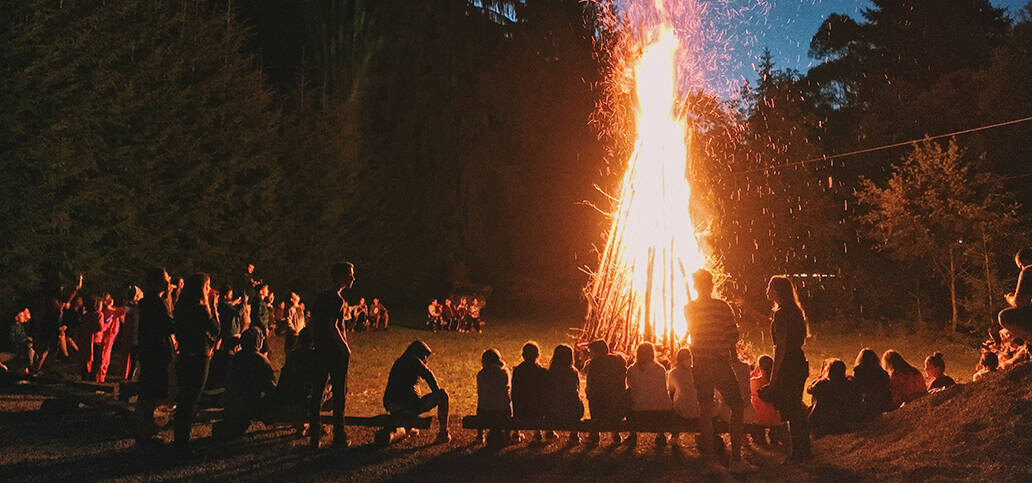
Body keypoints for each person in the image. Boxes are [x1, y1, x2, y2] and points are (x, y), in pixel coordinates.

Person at [687, 269, 754, 471]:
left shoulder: (689, 308)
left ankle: (710, 461)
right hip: (718, 362)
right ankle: (736, 459)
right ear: (712, 284)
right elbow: (732, 335)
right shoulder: (721, 307)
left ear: (695, 286)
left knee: (705, 409)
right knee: (737, 406)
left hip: (699, 363)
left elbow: (694, 333)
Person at [759, 275, 811, 464]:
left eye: (769, 286)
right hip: (799, 361)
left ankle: (798, 454)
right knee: (795, 408)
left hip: (789, 364)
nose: (767, 289)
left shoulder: (781, 313)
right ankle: (805, 450)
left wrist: (774, 379)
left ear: (777, 291)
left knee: (791, 410)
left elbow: (780, 346)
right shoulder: (795, 311)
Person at [172, 273, 220, 455]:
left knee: (185, 398)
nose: (209, 290)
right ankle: (182, 446)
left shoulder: (182, 308)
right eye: (207, 287)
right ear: (201, 289)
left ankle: (180, 440)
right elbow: (216, 329)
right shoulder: (200, 309)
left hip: (185, 355)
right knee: (191, 399)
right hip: (199, 357)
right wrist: (212, 307)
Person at [309, 262, 355, 448]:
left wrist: (314, 342)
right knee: (339, 394)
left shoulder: (320, 297)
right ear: (341, 277)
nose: (353, 278)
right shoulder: (337, 300)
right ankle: (339, 436)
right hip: (335, 352)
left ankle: (314, 436)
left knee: (317, 392)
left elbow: (314, 323)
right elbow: (332, 326)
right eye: (350, 275)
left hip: (320, 350)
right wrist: (345, 348)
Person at [135, 268, 176, 448]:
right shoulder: (155, 304)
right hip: (155, 353)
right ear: (157, 282)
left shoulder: (150, 303)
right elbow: (168, 326)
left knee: (149, 393)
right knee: (149, 394)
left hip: (150, 352)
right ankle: (144, 434)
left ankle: (145, 431)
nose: (169, 282)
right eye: (166, 279)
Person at [383, 340, 450, 443]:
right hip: (409, 405)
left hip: (393, 405)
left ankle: (408, 427)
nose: (425, 360)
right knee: (443, 395)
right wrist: (437, 393)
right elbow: (428, 375)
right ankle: (443, 433)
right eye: (425, 357)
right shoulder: (413, 360)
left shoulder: (399, 361)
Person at [217, 327, 277, 439]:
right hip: (251, 403)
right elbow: (270, 387)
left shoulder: (236, 358)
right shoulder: (261, 360)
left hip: (233, 400)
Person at [626, 342, 672, 446]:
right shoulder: (661, 369)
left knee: (629, 393)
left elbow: (630, 386)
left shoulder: (632, 369)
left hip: (639, 414)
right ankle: (660, 434)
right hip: (660, 414)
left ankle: (632, 434)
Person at [584, 339, 626, 445]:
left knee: (593, 394)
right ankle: (615, 434)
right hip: (617, 406)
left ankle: (594, 434)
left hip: (599, 407)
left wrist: (589, 392)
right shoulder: (618, 360)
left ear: (598, 352)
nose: (590, 355)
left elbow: (590, 385)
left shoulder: (594, 364)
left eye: (591, 352)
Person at [806, 359, 860, 436]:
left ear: (829, 371)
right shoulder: (848, 383)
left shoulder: (822, 384)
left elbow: (809, 389)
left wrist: (820, 376)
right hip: (843, 421)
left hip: (824, 422)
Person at [512, 341, 549, 441]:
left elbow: (515, 394)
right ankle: (537, 432)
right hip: (538, 412)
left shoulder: (518, 371)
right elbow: (545, 394)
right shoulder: (542, 371)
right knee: (539, 400)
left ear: (523, 355)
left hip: (522, 410)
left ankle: (516, 432)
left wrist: (516, 413)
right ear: (538, 355)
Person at [547, 344, 584, 444]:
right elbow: (577, 389)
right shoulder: (573, 372)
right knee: (575, 402)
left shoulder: (550, 372)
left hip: (554, 410)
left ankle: (549, 432)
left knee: (550, 401)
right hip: (572, 409)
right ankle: (574, 435)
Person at [475, 348, 511, 446]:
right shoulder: (504, 372)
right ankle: (508, 435)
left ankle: (479, 435)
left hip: (485, 412)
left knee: (481, 402)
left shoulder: (481, 374)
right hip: (502, 411)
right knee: (506, 402)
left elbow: (480, 393)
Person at [667, 347, 699, 446]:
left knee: (674, 400)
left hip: (681, 410)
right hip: (698, 409)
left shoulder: (673, 372)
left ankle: (675, 435)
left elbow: (671, 391)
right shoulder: (697, 371)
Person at [999, 248, 1032, 341]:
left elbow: (1020, 302)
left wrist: (1009, 298)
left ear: (1022, 263)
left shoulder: (1028, 270)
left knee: (1004, 316)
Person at [749, 355, 780, 445]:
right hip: (776, 418)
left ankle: (760, 433)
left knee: (753, 400)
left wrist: (754, 372)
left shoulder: (754, 381)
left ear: (759, 366)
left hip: (759, 417)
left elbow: (748, 393)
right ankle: (773, 432)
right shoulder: (776, 382)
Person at [77, 297, 109, 381]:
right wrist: (107, 325)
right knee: (97, 361)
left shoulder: (85, 315)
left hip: (86, 340)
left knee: (86, 360)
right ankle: (93, 378)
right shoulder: (99, 315)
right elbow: (100, 328)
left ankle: (85, 378)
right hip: (96, 341)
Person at [118, 285, 142, 381]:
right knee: (133, 359)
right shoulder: (133, 308)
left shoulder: (132, 307)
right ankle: (129, 377)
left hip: (131, 336)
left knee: (132, 359)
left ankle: (128, 376)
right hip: (134, 337)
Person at [1, 308, 35, 374]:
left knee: (30, 348)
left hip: (21, 346)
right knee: (28, 349)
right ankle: (27, 368)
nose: (24, 317)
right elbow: (11, 340)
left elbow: (23, 335)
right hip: (14, 348)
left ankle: (28, 368)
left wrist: (26, 339)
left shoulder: (20, 326)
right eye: (22, 315)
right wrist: (23, 341)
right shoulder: (12, 326)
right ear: (17, 316)